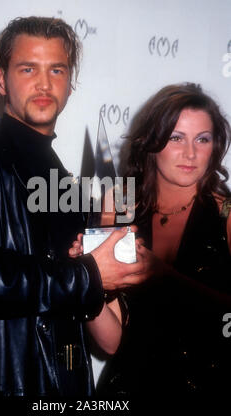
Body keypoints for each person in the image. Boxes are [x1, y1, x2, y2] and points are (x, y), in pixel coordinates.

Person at [0, 16, 145, 398]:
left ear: (70, 82)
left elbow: (87, 318)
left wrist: (105, 272)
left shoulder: (65, 182)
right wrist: (88, 275)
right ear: (1, 81)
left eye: (56, 69)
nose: (44, 84)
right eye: (28, 68)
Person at [79, 83, 231, 401]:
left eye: (202, 139)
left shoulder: (226, 213)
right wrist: (88, 281)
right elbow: (111, 344)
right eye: (176, 138)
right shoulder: (117, 206)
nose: (190, 153)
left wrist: (162, 277)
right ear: (152, 142)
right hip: (129, 391)